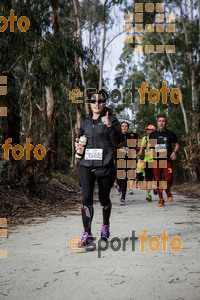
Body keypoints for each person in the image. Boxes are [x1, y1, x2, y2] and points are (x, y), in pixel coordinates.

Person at [75, 90, 122, 246]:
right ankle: (87, 233)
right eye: (93, 101)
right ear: (90, 103)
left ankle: (105, 225)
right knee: (86, 196)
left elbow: (118, 142)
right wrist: (77, 145)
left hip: (105, 164)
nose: (96, 103)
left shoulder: (113, 120)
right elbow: (81, 138)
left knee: (103, 198)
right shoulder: (85, 121)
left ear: (105, 103)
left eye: (100, 101)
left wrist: (109, 126)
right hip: (86, 164)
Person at [148, 116, 179, 207]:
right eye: (159, 121)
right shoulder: (153, 134)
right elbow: (149, 145)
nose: (161, 123)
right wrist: (149, 150)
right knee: (158, 180)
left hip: (167, 160)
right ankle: (161, 199)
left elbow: (177, 144)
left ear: (165, 123)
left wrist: (174, 152)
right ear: (157, 123)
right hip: (156, 160)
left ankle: (168, 190)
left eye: (163, 121)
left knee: (169, 179)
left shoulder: (170, 133)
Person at [115, 122, 135, 205]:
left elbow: (133, 147)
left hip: (127, 159)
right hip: (118, 158)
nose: (124, 128)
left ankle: (123, 197)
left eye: (126, 126)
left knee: (124, 178)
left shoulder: (130, 136)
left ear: (128, 128)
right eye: (122, 126)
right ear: (120, 127)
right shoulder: (117, 135)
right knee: (118, 177)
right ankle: (119, 186)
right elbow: (114, 145)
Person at [137, 125, 157, 201]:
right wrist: (139, 153)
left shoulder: (157, 138)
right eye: (147, 130)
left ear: (154, 131)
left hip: (155, 160)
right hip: (147, 161)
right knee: (148, 178)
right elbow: (141, 149)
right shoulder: (144, 139)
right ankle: (148, 194)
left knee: (156, 177)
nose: (148, 131)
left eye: (150, 130)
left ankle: (155, 188)